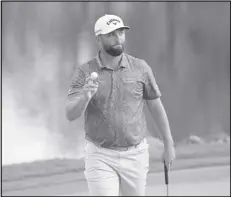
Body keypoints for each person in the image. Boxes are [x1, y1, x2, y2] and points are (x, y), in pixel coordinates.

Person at [65, 14, 175, 196]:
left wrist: (168, 143)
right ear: (98, 39)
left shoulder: (141, 68)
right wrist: (85, 95)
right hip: (100, 156)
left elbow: (155, 107)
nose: (118, 39)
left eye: (121, 33)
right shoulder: (84, 72)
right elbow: (70, 114)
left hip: (136, 155)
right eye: (111, 34)